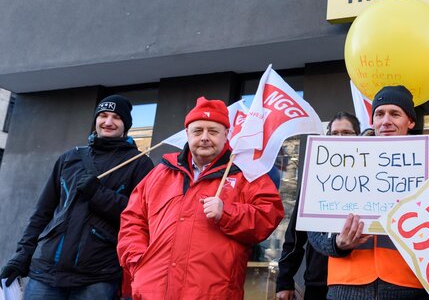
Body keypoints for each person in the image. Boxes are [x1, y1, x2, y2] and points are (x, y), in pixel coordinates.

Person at [118, 97, 285, 300]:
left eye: (213, 131)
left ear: (226, 134)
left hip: (214, 292)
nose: (205, 137)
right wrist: (137, 261)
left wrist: (227, 212)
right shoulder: (160, 173)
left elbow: (269, 215)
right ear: (187, 134)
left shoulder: (246, 174)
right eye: (198, 131)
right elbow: (132, 221)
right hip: (153, 291)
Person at [0, 95, 154, 299]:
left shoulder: (139, 164)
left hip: (98, 276)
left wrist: (99, 194)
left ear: (126, 124)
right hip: (46, 272)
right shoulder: (69, 158)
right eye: (103, 115)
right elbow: (42, 213)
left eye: (116, 117)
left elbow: (142, 217)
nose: (108, 122)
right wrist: (21, 255)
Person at [309, 86, 427, 300]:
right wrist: (335, 244)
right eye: (380, 114)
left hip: (408, 285)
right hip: (346, 285)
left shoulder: (427, 168)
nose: (386, 121)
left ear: (410, 121)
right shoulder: (337, 164)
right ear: (372, 121)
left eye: (395, 113)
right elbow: (314, 229)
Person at [276, 112, 360, 300]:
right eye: (334, 133)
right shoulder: (314, 179)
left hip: (356, 282)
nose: (340, 138)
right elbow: (295, 236)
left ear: (359, 136)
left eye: (346, 133)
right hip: (318, 281)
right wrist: (285, 280)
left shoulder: (372, 177)